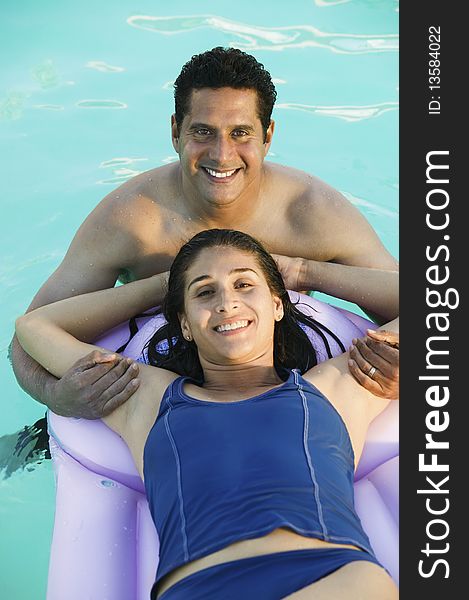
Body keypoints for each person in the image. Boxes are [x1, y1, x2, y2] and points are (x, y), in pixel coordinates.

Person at [10, 46, 398, 423]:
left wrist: (304, 272)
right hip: (154, 387)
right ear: (176, 131)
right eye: (203, 132)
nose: (222, 155)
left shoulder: (313, 214)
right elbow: (27, 342)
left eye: (241, 133)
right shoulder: (131, 220)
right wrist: (56, 396)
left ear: (268, 136)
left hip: (287, 381)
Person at [16, 229, 398, 599]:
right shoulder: (147, 397)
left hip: (331, 578)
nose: (226, 303)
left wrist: (304, 272)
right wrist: (161, 286)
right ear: (183, 323)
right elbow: (35, 326)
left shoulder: (334, 387)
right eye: (204, 291)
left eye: (245, 285)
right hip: (203, 586)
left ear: (278, 305)